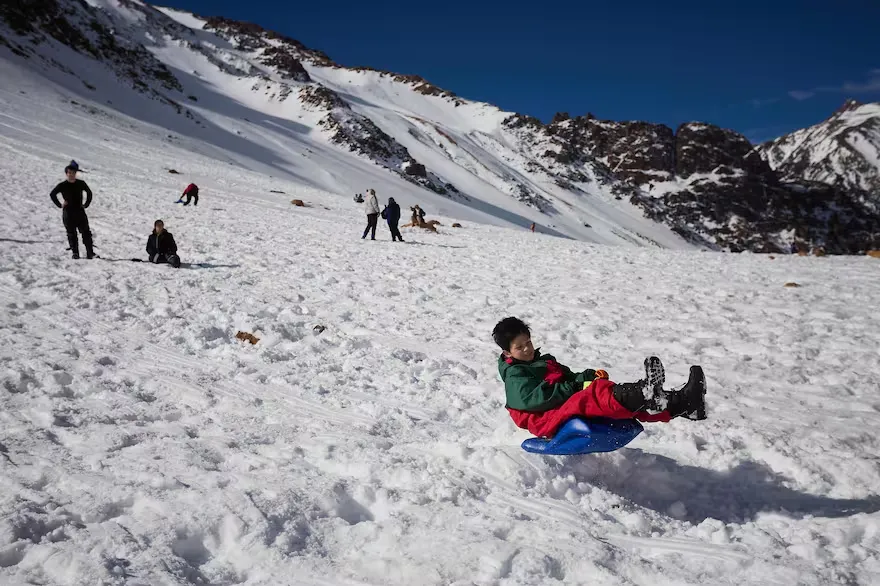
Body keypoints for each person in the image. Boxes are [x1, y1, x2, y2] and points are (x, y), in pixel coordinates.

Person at [493, 317, 706, 439]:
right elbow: (532, 399)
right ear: (507, 353)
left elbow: (569, 377)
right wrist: (577, 387)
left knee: (609, 395)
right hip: (544, 417)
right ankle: (646, 393)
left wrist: (588, 376)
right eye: (519, 347)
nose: (528, 349)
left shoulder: (544, 362)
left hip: (557, 406)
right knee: (594, 395)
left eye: (528, 342)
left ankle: (686, 403)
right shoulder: (515, 374)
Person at [50, 160, 95, 259]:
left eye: (73, 173)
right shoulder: (62, 185)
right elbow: (52, 194)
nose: (71, 175)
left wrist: (86, 204)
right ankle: (75, 253)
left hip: (80, 211)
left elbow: (89, 193)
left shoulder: (81, 183)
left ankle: (90, 253)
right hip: (68, 213)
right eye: (69, 173)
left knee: (86, 233)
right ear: (66, 173)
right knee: (71, 234)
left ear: (75, 173)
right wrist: (60, 205)